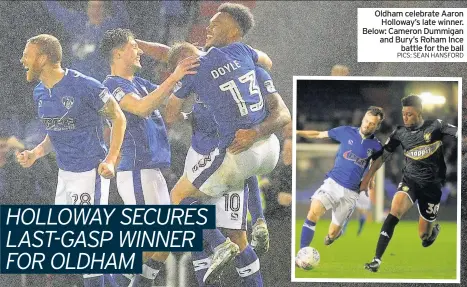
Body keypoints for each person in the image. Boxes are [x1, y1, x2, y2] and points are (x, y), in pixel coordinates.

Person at [17, 34, 126, 287]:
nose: (23, 60)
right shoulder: (40, 92)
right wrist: (35, 153)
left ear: (43, 58)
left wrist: (110, 159)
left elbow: (119, 118)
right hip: (64, 176)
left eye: (27, 54)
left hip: (90, 173)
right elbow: (55, 131)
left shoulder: (84, 85)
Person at [165, 64, 285, 286]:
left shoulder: (213, 71)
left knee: (179, 200)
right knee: (211, 234)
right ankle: (245, 229)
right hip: (224, 156)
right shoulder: (226, 71)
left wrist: (175, 78)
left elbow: (171, 113)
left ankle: (220, 243)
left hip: (220, 155)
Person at [99, 28, 199, 287]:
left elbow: (170, 104)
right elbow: (142, 108)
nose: (140, 50)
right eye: (134, 46)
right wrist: (175, 75)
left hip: (152, 171)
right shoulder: (112, 85)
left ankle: (136, 282)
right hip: (136, 169)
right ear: (119, 53)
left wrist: (192, 101)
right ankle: (109, 280)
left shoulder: (141, 83)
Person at [362, 95, 458, 272]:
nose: (405, 117)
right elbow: (383, 156)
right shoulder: (400, 133)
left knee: (423, 236)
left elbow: (458, 133)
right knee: (394, 211)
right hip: (410, 181)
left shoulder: (435, 126)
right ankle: (376, 260)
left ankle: (430, 234)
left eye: (410, 114)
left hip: (432, 186)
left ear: (419, 113)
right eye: (404, 114)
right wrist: (369, 177)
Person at [295, 106, 384, 256]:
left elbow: (376, 163)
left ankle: (334, 235)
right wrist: (297, 132)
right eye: (367, 121)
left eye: (372, 124)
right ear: (363, 119)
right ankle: (302, 252)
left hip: (351, 192)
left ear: (377, 126)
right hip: (333, 183)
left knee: (332, 233)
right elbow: (318, 134)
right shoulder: (345, 131)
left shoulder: (376, 146)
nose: (368, 125)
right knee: (313, 211)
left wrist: (371, 178)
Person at [42, 1, 129, 81]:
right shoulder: (79, 23)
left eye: (99, 7)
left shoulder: (110, 28)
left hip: (98, 81)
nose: (96, 10)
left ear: (105, 10)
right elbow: (56, 10)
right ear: (87, 8)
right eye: (92, 6)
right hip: (75, 81)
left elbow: (123, 16)